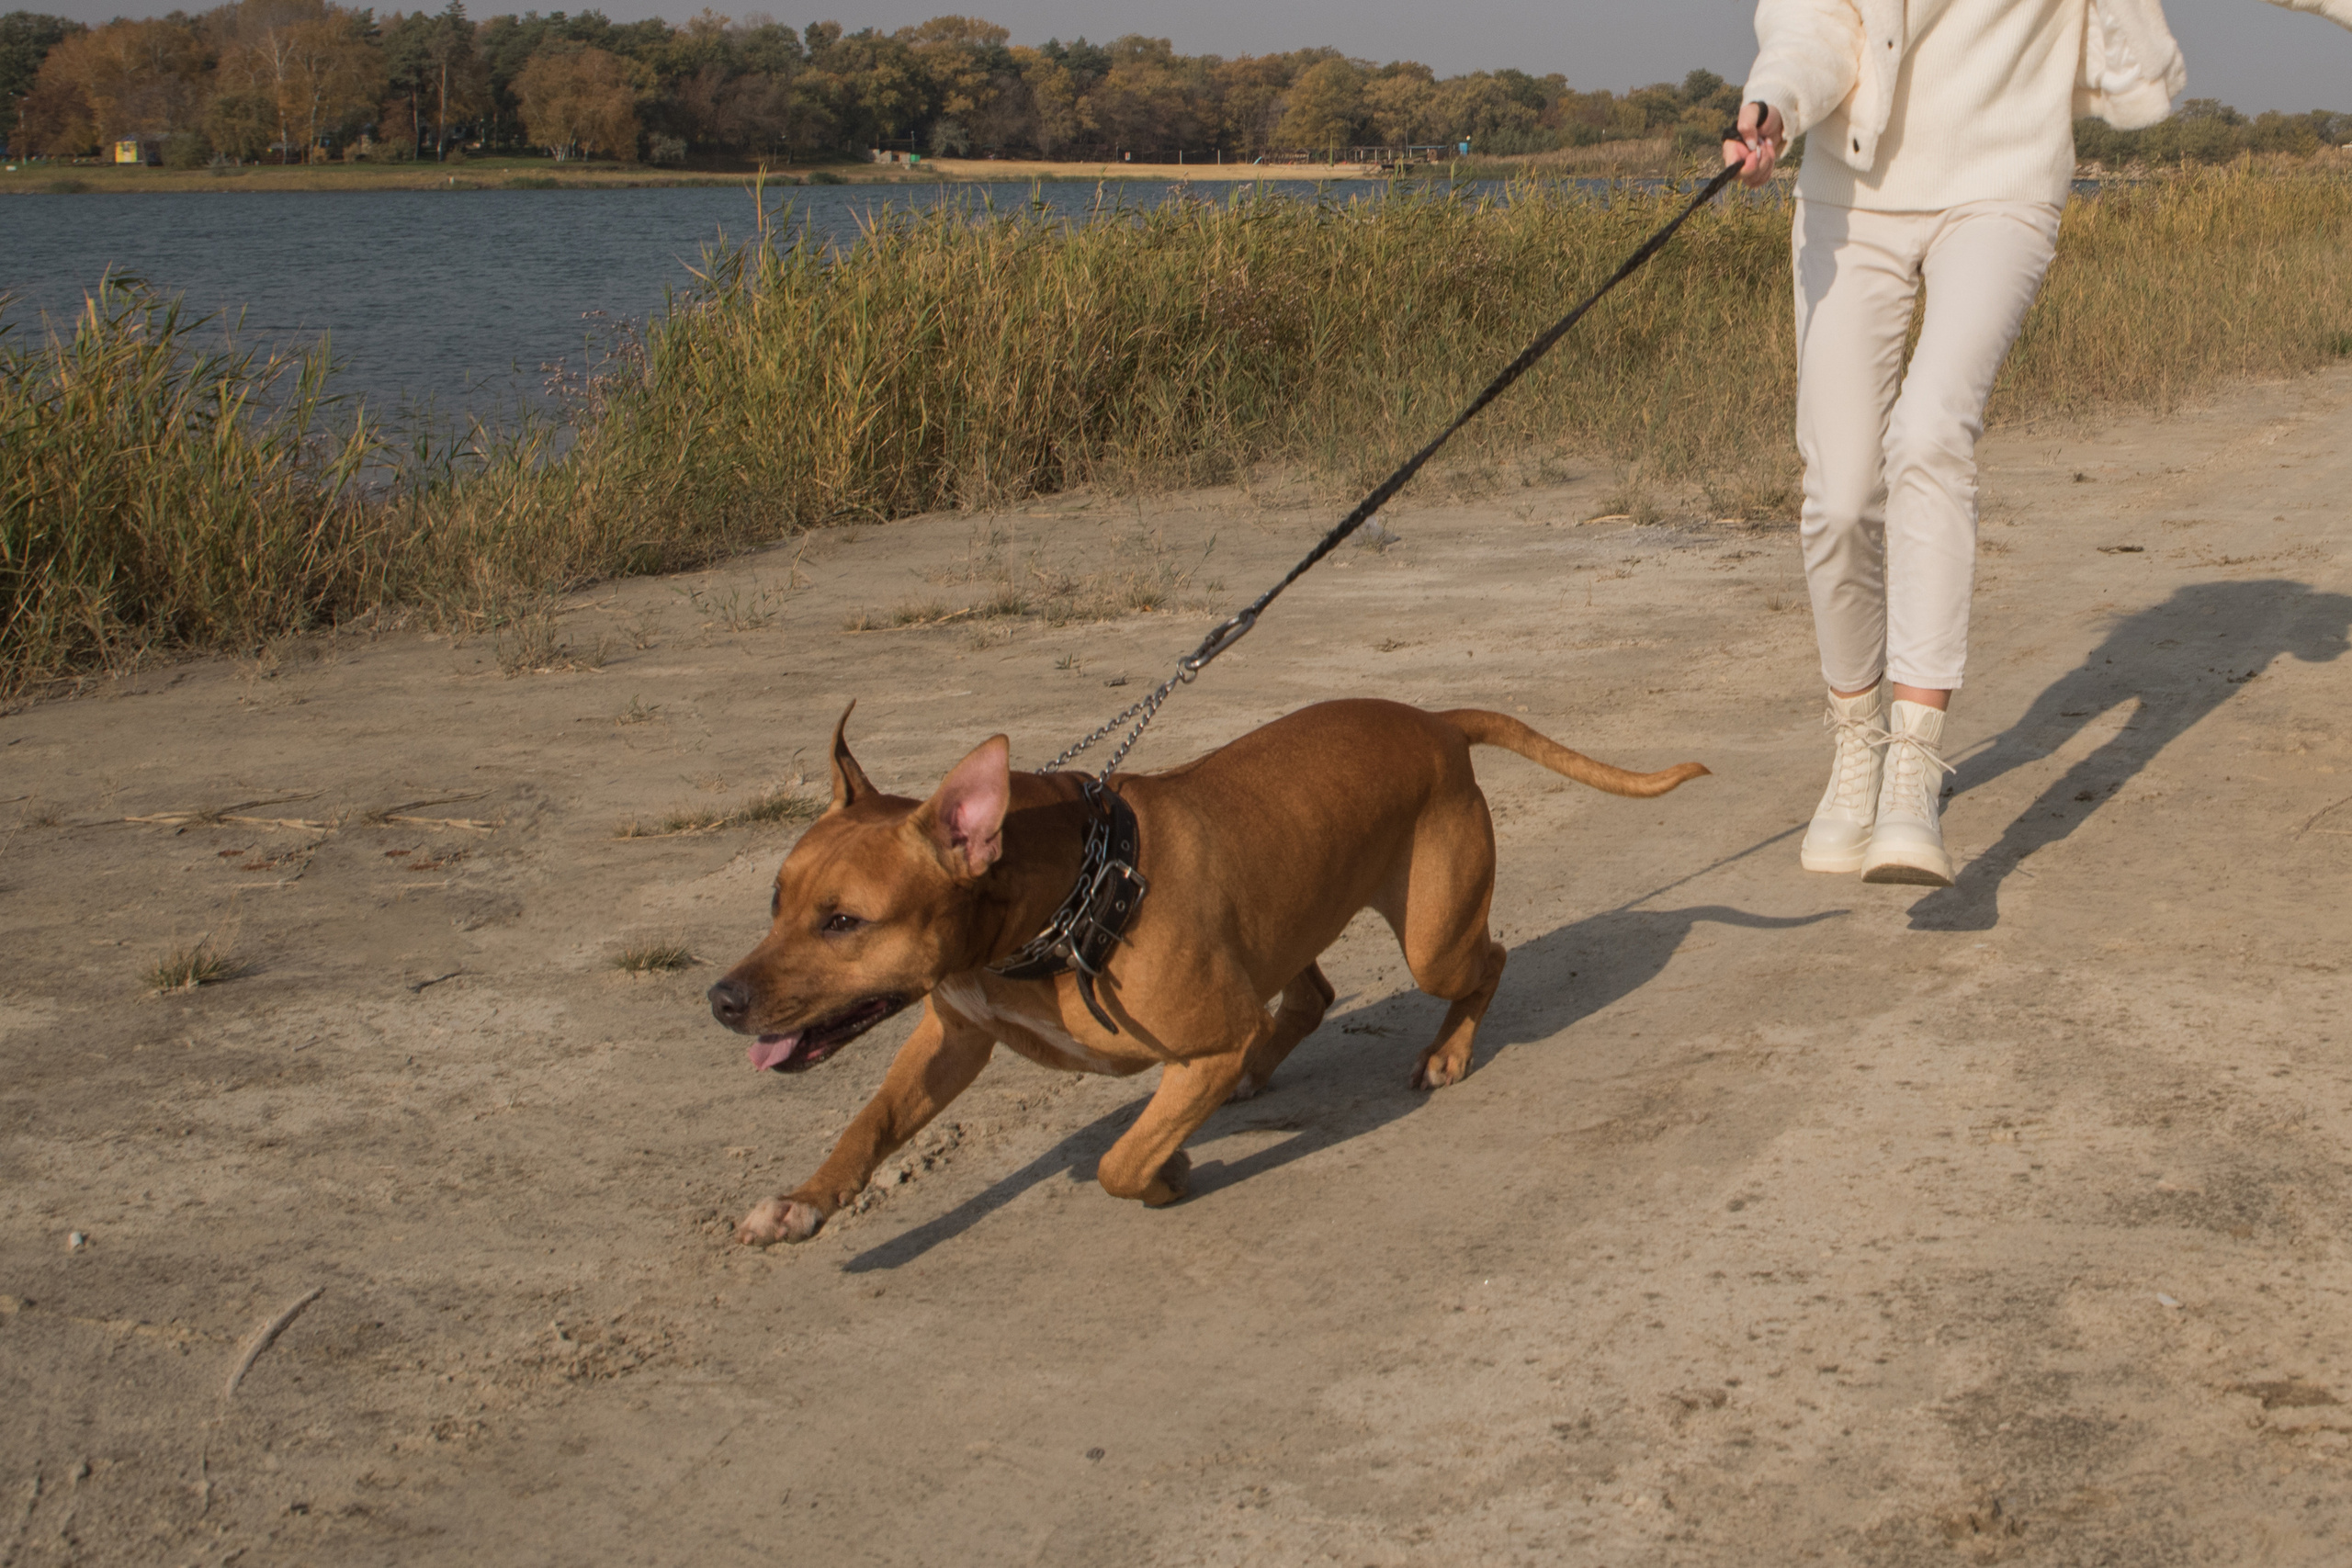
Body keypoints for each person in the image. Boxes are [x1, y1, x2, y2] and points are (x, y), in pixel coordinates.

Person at [1723, 0, 2352, 886]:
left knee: (1933, 432)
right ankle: (1856, 745)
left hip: (2002, 183)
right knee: (1839, 493)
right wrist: (1777, 104)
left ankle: (1913, 765)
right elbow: (1816, 23)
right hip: (1850, 195)